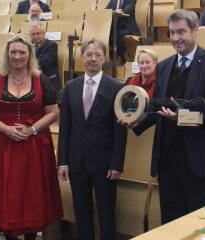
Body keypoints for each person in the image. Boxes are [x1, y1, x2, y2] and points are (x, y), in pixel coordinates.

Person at [118, 9, 205, 224]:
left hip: (199, 160)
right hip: (167, 159)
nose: (175, 38)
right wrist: (135, 120)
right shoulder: (163, 66)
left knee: (199, 223)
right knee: (170, 221)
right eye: (171, 33)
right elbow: (156, 105)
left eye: (181, 31)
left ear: (195, 31)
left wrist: (182, 116)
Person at [0, 34, 63, 240]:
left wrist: (32, 129)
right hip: (2, 145)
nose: (17, 56)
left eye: (22, 52)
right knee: (6, 194)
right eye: (13, 52)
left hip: (34, 146)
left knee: (32, 196)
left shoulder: (40, 79)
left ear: (29, 55)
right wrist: (7, 130)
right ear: (7, 55)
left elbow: (53, 112)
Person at [57, 38, 127, 240]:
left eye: (98, 55)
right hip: (77, 162)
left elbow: (119, 131)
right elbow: (65, 128)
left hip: (105, 164)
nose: (93, 59)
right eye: (89, 54)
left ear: (105, 58)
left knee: (106, 214)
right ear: (82, 57)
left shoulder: (116, 87)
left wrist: (117, 163)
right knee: (82, 213)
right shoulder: (71, 87)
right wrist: (62, 161)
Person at [29, 22, 60, 92]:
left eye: (38, 33)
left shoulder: (52, 45)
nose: (36, 36)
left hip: (49, 80)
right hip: (31, 79)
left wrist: (26, 62)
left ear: (44, 33)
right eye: (33, 34)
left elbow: (44, 62)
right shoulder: (28, 46)